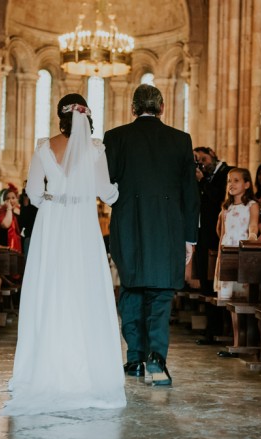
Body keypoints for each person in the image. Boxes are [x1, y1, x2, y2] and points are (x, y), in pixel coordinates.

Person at [3, 93, 124, 415]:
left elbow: (31, 193)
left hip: (52, 222)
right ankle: (85, 366)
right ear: (86, 116)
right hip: (83, 222)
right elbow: (107, 192)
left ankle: (42, 364)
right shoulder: (96, 149)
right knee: (83, 288)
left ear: (60, 116)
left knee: (50, 286)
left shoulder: (44, 146)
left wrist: (52, 200)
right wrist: (116, 193)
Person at [104, 84, 199, 386]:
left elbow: (106, 185)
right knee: (160, 294)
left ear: (133, 108)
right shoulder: (180, 140)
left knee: (131, 291)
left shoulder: (116, 137)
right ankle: (156, 360)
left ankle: (134, 359)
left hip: (129, 224)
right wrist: (190, 238)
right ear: (162, 108)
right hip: (168, 226)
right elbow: (190, 192)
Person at [192, 146, 230, 345]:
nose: (202, 164)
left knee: (216, 285)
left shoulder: (226, 173)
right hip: (203, 234)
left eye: (204, 159)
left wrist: (202, 180)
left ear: (213, 154)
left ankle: (219, 329)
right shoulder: (204, 177)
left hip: (217, 236)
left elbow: (218, 198)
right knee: (206, 285)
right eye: (198, 160)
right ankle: (210, 329)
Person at [214, 168, 258, 300]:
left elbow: (253, 225)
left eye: (236, 181)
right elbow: (222, 235)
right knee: (227, 297)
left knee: (241, 296)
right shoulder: (226, 208)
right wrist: (219, 258)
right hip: (227, 250)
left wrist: (252, 237)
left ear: (247, 184)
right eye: (229, 181)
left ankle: (241, 321)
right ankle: (230, 321)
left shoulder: (251, 205)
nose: (231, 184)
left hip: (241, 250)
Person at [0, 183, 22, 253]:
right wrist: (9, 209)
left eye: (13, 198)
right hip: (4, 243)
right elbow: (5, 225)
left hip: (18, 244)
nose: (11, 201)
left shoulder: (20, 211)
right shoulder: (1, 210)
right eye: (8, 198)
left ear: (17, 199)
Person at [17, 181, 39, 256]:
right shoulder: (24, 201)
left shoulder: (39, 199)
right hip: (29, 235)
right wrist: (25, 204)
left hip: (39, 233)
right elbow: (23, 223)